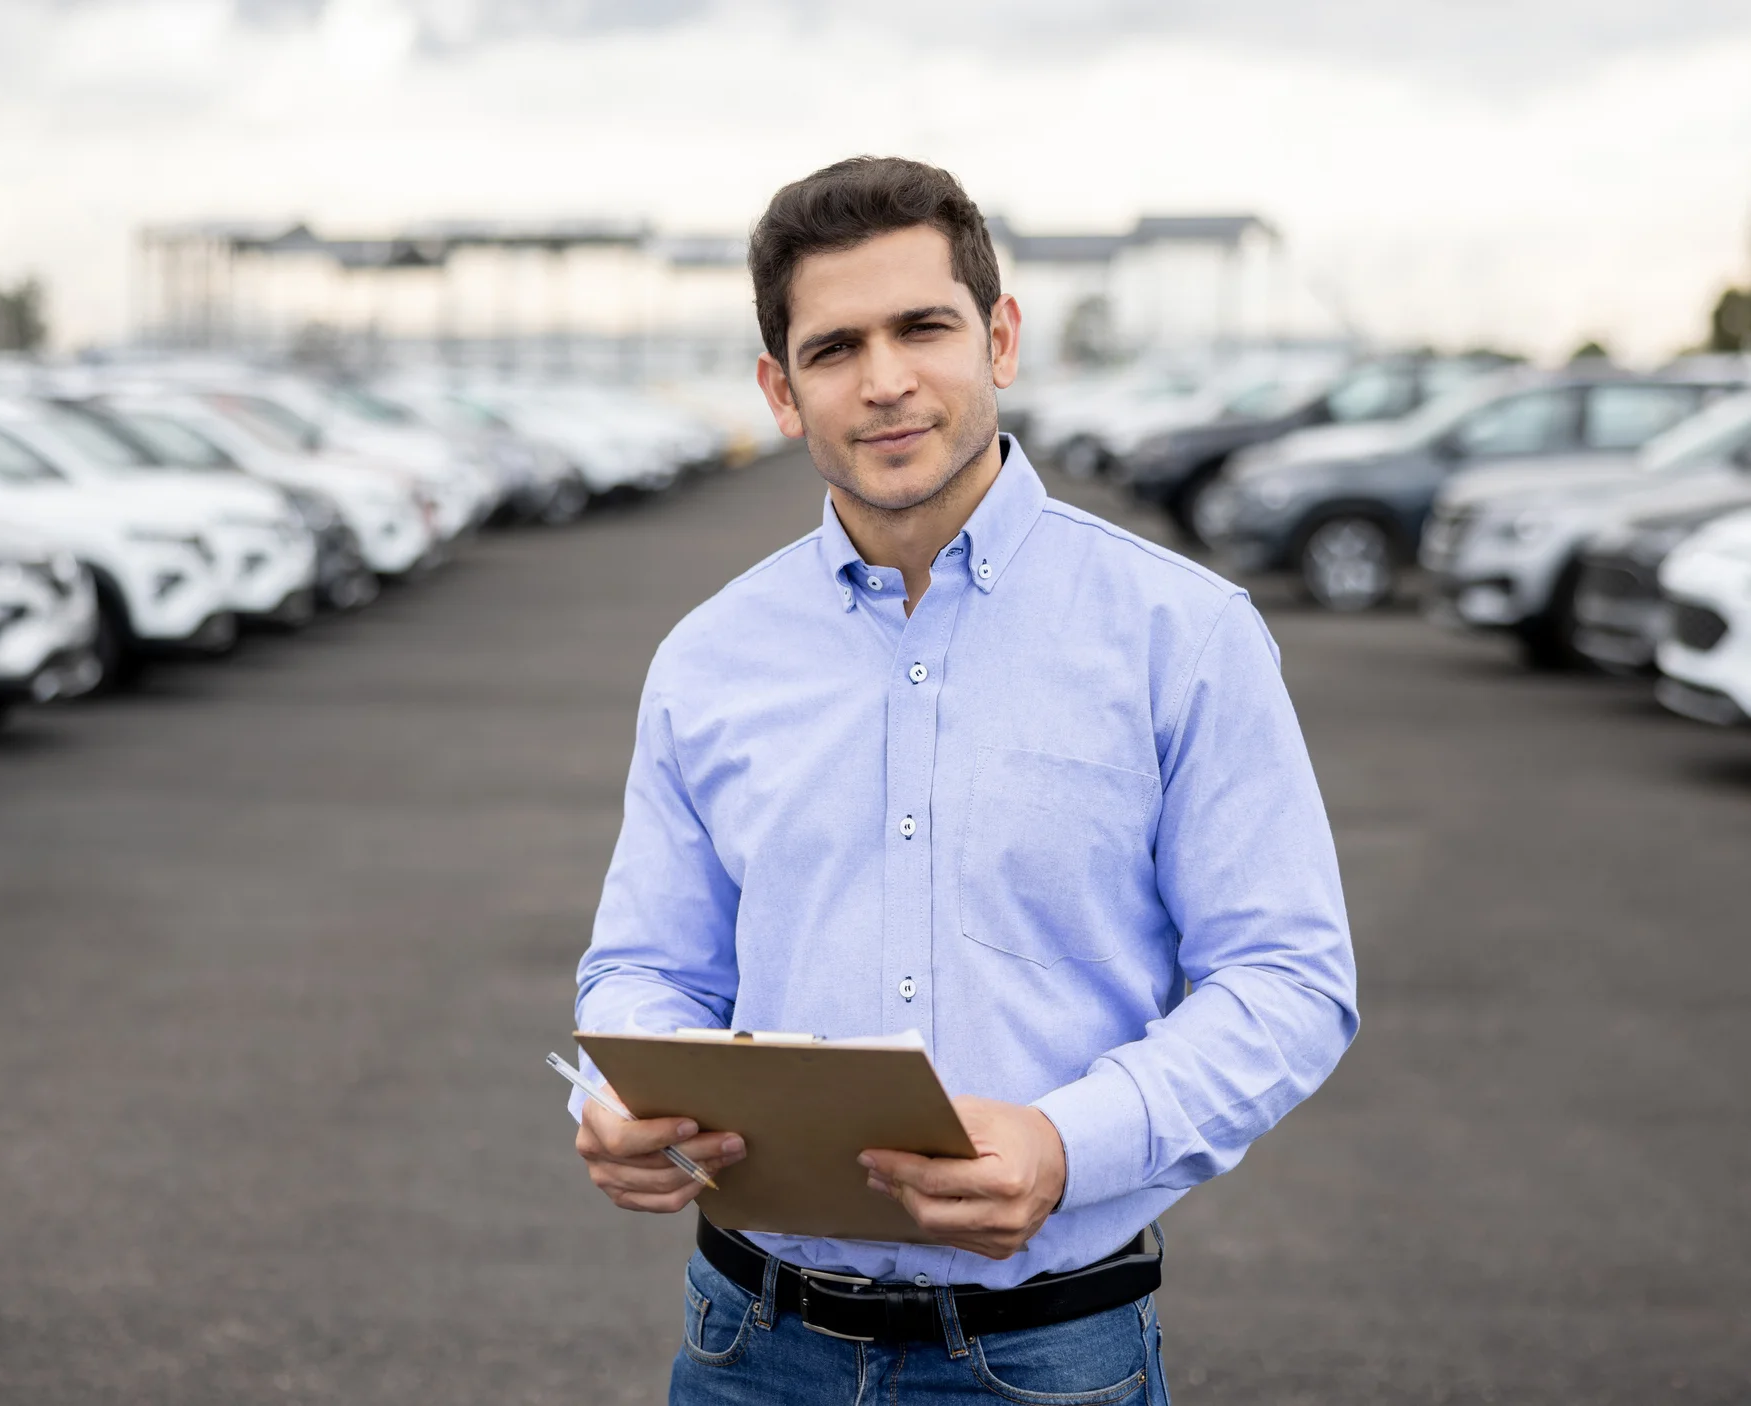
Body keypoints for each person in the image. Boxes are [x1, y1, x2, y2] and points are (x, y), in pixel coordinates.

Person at [568, 156, 1359, 1405]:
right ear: (781, 390)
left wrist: (1065, 1141)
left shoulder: (1180, 633)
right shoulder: (707, 658)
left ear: (998, 336)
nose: (884, 381)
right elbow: (645, 966)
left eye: (922, 327)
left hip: (1048, 1354)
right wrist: (633, 1089)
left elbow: (1288, 978)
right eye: (834, 348)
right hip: (747, 1346)